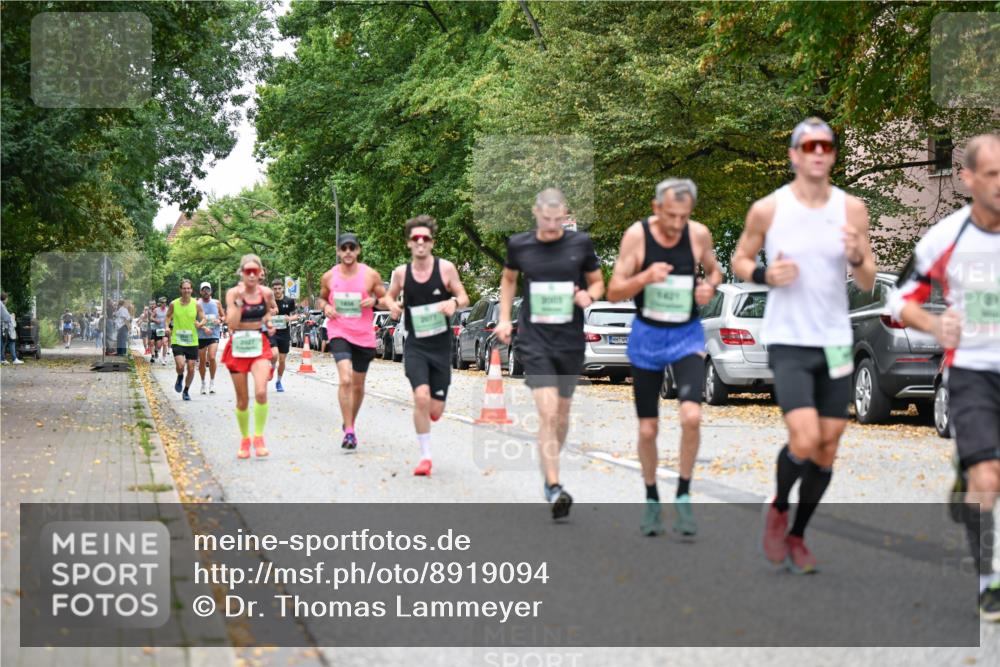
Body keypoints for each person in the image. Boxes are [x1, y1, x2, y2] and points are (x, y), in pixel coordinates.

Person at [732, 117, 876, 574]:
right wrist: (763, 275)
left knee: (828, 446)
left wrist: (856, 256)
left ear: (832, 155)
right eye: (808, 145)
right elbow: (740, 259)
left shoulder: (852, 209)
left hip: (834, 341)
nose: (818, 152)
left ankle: (797, 535)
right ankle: (777, 507)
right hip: (789, 339)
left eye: (826, 146)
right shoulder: (768, 209)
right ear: (794, 154)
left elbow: (868, 280)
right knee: (806, 436)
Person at [890, 133, 1000, 620]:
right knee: (988, 476)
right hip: (971, 371)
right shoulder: (945, 238)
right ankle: (988, 581)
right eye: (992, 174)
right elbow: (897, 301)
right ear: (968, 178)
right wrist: (935, 323)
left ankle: (964, 482)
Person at [607, 179, 723, 536]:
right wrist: (645, 277)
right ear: (657, 209)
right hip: (647, 337)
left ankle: (684, 495)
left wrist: (710, 286)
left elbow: (715, 269)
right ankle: (652, 497)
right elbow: (613, 291)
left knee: (691, 416)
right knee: (648, 427)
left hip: (685, 334)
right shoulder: (637, 237)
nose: (677, 224)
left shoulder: (698, 234)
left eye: (684, 216)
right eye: (671, 216)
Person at [495, 189, 605, 520]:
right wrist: (503, 318)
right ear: (536, 213)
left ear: (565, 215)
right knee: (548, 412)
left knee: (562, 415)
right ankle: (554, 485)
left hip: (569, 339)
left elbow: (598, 282)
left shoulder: (580, 244)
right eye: (547, 219)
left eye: (559, 220)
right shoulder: (519, 245)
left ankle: (550, 462)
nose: (553, 225)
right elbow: (508, 280)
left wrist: (588, 295)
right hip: (535, 338)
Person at [383, 216, 469, 476]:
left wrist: (454, 302)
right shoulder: (401, 273)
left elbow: (464, 296)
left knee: (435, 408)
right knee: (420, 398)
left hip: (441, 347)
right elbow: (389, 294)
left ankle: (434, 409)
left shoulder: (446, 269)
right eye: (416, 239)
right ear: (409, 243)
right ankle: (425, 457)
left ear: (432, 242)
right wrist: (392, 305)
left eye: (426, 238)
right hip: (416, 346)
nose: (421, 243)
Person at [317, 233, 387, 448]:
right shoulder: (329, 276)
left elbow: (386, 301)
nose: (348, 252)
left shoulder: (370, 276)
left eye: (352, 248)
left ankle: (350, 421)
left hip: (363, 335)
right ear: (338, 251)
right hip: (339, 331)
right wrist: (326, 307)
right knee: (345, 379)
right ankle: (349, 431)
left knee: (357, 385)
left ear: (358, 250)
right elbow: (321, 298)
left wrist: (374, 301)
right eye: (343, 248)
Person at [221, 254, 277, 459]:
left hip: (258, 343)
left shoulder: (267, 293)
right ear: (242, 273)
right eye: (248, 272)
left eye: (255, 272)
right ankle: (245, 440)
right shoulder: (233, 293)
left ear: (260, 273)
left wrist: (269, 323)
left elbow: (267, 313)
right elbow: (232, 323)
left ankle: (259, 437)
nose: (252, 275)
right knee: (242, 400)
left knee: (261, 392)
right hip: (238, 346)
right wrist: (238, 301)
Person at [165, 280, 207, 401]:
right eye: (184, 288)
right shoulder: (174, 304)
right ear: (180, 289)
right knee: (180, 365)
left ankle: (186, 391)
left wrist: (200, 324)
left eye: (188, 288)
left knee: (191, 368)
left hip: (192, 340)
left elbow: (203, 318)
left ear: (191, 290)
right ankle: (180, 376)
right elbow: (168, 317)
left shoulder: (196, 304)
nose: (186, 290)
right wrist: (167, 327)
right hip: (177, 339)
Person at [268, 278, 300, 393]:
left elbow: (297, 315)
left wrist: (289, 318)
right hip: (272, 332)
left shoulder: (289, 301)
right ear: (272, 289)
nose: (277, 291)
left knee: (282, 360)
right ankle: (271, 367)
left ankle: (278, 381)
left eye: (279, 288)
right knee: (274, 354)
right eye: (275, 289)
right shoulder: (269, 301)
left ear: (283, 289)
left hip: (284, 333)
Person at [196, 282, 224, 395]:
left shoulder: (216, 303)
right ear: (201, 292)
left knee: (212, 357)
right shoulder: (196, 304)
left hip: (214, 333)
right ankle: (203, 383)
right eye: (204, 290)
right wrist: (203, 328)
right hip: (201, 335)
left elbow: (223, 315)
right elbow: (194, 320)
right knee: (202, 360)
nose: (206, 292)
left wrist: (220, 320)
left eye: (208, 289)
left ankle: (212, 382)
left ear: (211, 291)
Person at [1, 293, 22, 364]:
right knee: (8, 342)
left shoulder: (2, 305)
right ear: (5, 298)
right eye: (7, 299)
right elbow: (6, 318)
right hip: (4, 327)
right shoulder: (1, 305)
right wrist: (12, 315)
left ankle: (5, 359)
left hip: (4, 327)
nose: (7, 300)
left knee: (4, 343)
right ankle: (10, 359)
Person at [151, 297, 170, 364]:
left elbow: (170, 318)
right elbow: (151, 317)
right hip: (158, 329)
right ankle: (156, 351)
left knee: (165, 343)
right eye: (162, 303)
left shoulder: (168, 310)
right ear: (160, 303)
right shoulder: (156, 310)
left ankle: (163, 358)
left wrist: (168, 324)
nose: (164, 304)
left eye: (165, 302)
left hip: (165, 329)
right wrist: (156, 320)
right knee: (159, 345)